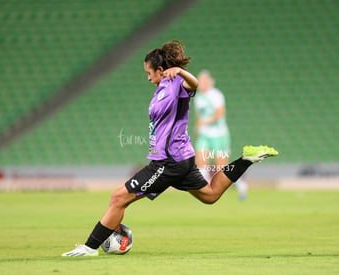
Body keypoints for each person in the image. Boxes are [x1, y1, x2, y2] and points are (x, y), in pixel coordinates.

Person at [62, 41, 278, 257]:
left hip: (169, 161)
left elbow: (193, 85)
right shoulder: (160, 89)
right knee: (210, 195)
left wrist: (181, 72)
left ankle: (90, 247)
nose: (147, 78)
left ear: (160, 70)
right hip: (178, 159)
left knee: (119, 198)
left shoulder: (175, 83)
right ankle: (246, 159)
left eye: (149, 73)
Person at [194, 70, 248, 201]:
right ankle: (204, 192)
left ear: (208, 81)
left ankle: (241, 185)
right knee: (201, 162)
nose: (199, 83)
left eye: (202, 81)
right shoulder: (198, 97)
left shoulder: (216, 95)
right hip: (204, 135)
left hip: (219, 135)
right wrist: (197, 128)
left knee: (221, 167)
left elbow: (220, 113)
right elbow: (199, 115)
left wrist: (205, 122)